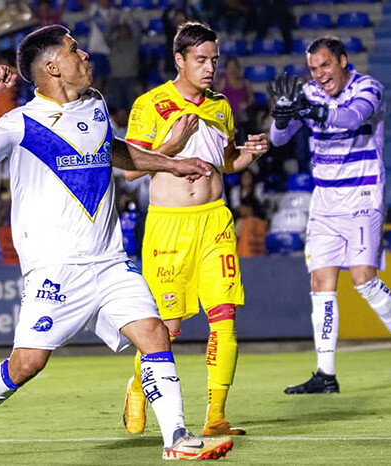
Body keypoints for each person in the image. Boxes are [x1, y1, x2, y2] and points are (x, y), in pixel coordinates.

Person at [0, 25, 234, 462]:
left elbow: (112, 150)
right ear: (53, 65)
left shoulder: (94, 105)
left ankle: (177, 439)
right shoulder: (20, 123)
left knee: (153, 333)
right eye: (76, 51)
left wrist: (170, 164)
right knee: (27, 364)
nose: (86, 56)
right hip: (56, 269)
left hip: (110, 259)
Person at [121, 22, 268, 437]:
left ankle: (215, 415)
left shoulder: (220, 106)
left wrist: (250, 155)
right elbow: (131, 169)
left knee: (224, 316)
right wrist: (170, 143)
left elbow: (225, 162)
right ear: (179, 61)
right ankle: (137, 387)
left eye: (214, 60)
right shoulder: (151, 104)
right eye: (200, 60)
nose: (209, 68)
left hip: (215, 220)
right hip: (170, 228)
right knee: (164, 329)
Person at [268, 36, 391, 394]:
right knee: (321, 283)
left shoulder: (369, 88)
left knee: (364, 279)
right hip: (324, 200)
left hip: (363, 195)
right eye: (313, 69)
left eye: (325, 66)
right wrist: (282, 113)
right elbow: (278, 140)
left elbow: (351, 119)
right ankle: (326, 374)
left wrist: (313, 111)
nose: (319, 75)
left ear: (343, 61)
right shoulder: (309, 93)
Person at [216, 58, 254, 142]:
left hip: (241, 116)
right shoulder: (222, 82)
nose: (232, 70)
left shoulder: (246, 83)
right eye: (230, 67)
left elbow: (251, 100)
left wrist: (246, 105)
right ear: (226, 69)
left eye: (234, 67)